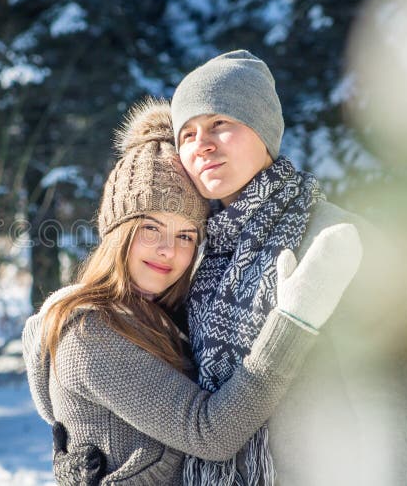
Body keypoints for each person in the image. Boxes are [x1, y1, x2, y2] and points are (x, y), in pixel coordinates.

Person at [22, 98, 363, 485]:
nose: (169, 250)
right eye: (150, 228)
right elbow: (210, 434)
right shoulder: (89, 336)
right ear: (118, 233)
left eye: (186, 235)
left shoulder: (166, 316)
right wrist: (293, 321)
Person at [170, 49, 407, 485]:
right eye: (187, 134)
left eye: (219, 124)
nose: (202, 145)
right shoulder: (193, 251)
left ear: (264, 131)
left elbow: (382, 393)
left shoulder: (337, 236)